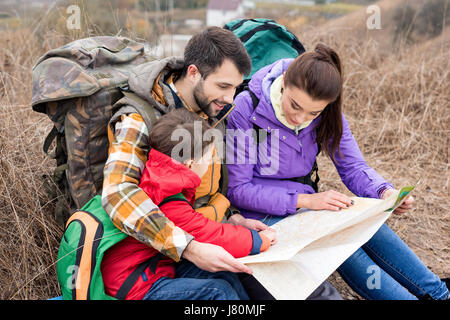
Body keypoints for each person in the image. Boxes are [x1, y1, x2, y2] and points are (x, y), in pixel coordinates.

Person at [102, 27, 342, 300]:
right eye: (223, 86)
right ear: (193, 73)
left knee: (300, 284)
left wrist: (234, 219)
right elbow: (117, 193)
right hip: (158, 258)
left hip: (210, 237)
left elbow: (211, 193)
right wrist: (189, 248)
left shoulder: (216, 111)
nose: (230, 98)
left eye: (235, 88)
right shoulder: (138, 118)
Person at [226, 43, 450, 300]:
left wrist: (384, 192)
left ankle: (439, 294)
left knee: (368, 222)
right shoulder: (246, 108)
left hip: (307, 208)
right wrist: (306, 200)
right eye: (295, 105)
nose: (300, 118)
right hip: (262, 215)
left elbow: (353, 166)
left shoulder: (328, 112)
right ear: (284, 81)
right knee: (341, 244)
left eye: (313, 112)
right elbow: (238, 189)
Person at [101, 109, 277, 300]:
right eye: (209, 158)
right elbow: (211, 235)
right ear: (191, 163)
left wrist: (236, 222)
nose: (211, 163)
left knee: (223, 274)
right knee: (217, 292)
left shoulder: (163, 179)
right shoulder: (165, 195)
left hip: (153, 269)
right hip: (135, 286)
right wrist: (260, 240)